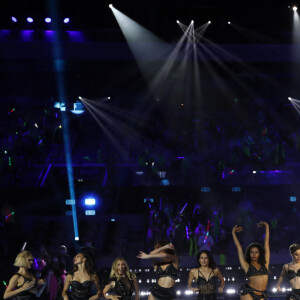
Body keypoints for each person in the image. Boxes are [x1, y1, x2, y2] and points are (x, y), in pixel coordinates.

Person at [232, 221, 270, 300]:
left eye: (256, 252)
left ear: (259, 254)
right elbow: (239, 247)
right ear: (249, 254)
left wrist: (267, 227)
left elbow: (266, 243)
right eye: (252, 252)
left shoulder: (265, 263)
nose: (254, 254)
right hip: (248, 293)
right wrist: (233, 233)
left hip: (261, 295)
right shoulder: (246, 266)